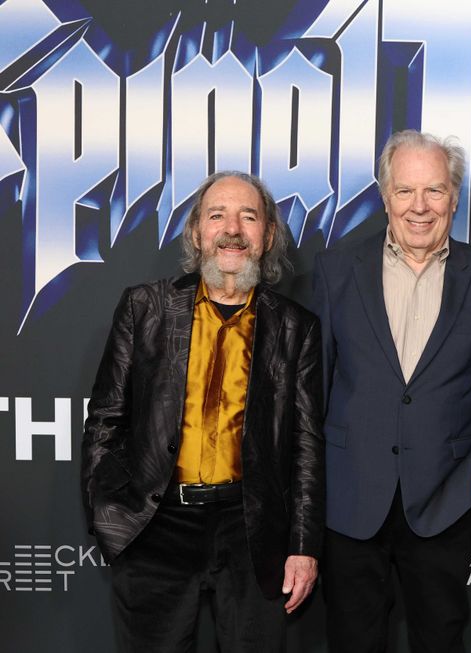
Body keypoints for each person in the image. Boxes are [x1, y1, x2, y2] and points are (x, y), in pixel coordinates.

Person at [81, 171, 324, 652]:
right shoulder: (144, 308)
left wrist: (303, 546)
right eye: (218, 215)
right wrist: (108, 514)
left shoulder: (297, 328)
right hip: (156, 526)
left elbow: (307, 448)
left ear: (267, 235)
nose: (232, 229)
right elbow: (106, 419)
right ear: (196, 232)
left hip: (251, 530)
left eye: (248, 216)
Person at [312, 130, 471, 653]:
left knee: (441, 642)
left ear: (454, 196)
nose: (420, 207)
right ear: (385, 197)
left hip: (445, 501)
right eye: (405, 191)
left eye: (435, 190)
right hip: (351, 501)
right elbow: (313, 389)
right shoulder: (338, 271)